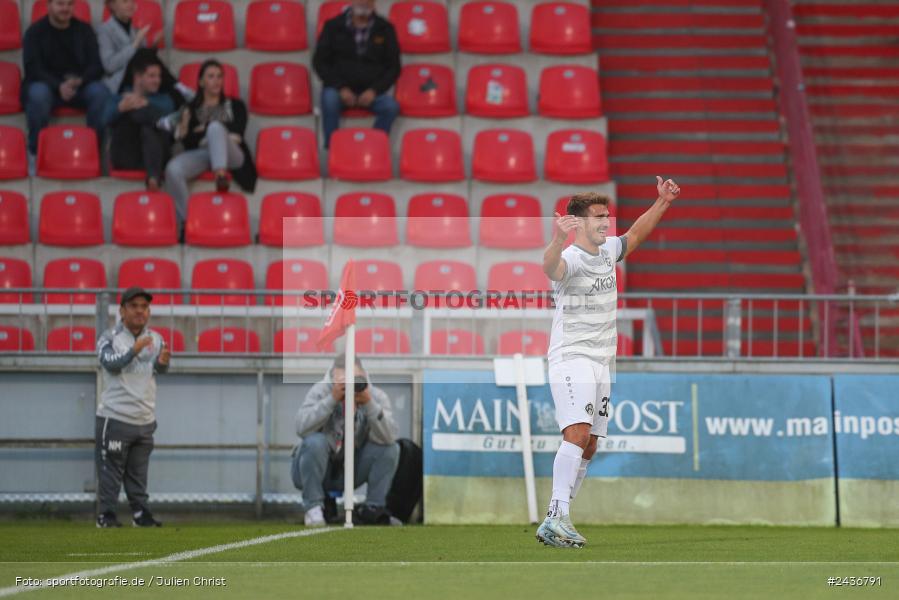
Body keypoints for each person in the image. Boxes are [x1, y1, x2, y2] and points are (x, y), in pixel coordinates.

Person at [537, 177, 681, 548]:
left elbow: (635, 234)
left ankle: (560, 517)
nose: (606, 222)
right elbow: (550, 268)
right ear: (580, 223)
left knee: (591, 444)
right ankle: (555, 516)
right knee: (578, 433)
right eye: (599, 217)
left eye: (607, 216)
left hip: (602, 359)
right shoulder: (571, 257)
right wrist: (556, 239)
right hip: (573, 356)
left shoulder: (605, 252)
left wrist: (662, 202)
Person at [292, 353, 400, 527]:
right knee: (314, 442)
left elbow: (389, 437)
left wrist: (369, 404)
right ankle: (313, 507)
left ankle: (373, 509)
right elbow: (301, 428)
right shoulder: (321, 391)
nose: (348, 385)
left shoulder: (375, 396)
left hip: (351, 470)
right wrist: (332, 399)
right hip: (314, 471)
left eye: (353, 379)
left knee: (390, 448)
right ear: (333, 375)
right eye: (342, 380)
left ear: (363, 375)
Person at [95, 287, 171, 528]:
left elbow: (157, 371)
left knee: (138, 472)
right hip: (116, 417)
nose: (140, 311)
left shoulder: (157, 339)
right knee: (111, 471)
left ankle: (140, 514)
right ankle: (105, 516)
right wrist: (133, 351)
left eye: (144, 307)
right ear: (122, 310)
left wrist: (162, 364)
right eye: (134, 306)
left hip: (145, 418)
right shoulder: (109, 338)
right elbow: (110, 364)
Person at [164, 59, 257, 224]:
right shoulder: (191, 108)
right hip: (204, 154)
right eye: (211, 76)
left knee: (215, 128)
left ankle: (220, 176)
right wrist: (188, 130)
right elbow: (189, 143)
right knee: (172, 170)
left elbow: (236, 136)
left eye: (220, 76)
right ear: (201, 82)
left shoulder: (235, 105)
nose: (217, 81)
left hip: (232, 154)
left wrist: (206, 130)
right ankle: (189, 221)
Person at [21, 0, 111, 155]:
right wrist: (58, 85)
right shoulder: (34, 32)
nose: (65, 8)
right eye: (60, 4)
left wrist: (81, 80)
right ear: (49, 6)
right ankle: (35, 152)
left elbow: (97, 65)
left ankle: (94, 151)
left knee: (100, 92)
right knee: (37, 94)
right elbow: (33, 69)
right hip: (47, 86)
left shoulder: (84, 30)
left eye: (69, 4)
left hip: (79, 86)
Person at [313, 0, 401, 148]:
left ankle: (373, 147)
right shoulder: (333, 26)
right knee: (329, 99)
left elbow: (394, 67)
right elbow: (320, 62)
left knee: (391, 107)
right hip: (338, 90)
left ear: (374, 4)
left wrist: (375, 90)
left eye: (368, 1)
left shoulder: (386, 29)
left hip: (372, 93)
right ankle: (332, 148)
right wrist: (340, 87)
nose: (364, 3)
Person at [100, 50, 173, 190]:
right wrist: (120, 108)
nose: (157, 80)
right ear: (138, 77)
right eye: (152, 76)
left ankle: (153, 178)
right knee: (132, 116)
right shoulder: (118, 98)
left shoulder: (164, 99)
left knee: (150, 122)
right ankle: (153, 178)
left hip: (157, 156)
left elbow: (170, 117)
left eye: (158, 76)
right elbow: (104, 120)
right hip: (127, 156)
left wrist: (146, 104)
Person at [97, 0, 162, 94]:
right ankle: (180, 89)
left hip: (140, 78)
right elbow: (109, 65)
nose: (130, 4)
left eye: (132, 1)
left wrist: (154, 46)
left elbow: (144, 59)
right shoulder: (104, 30)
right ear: (112, 5)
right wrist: (135, 44)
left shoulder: (136, 29)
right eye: (125, 1)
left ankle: (178, 90)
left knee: (153, 63)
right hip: (120, 82)